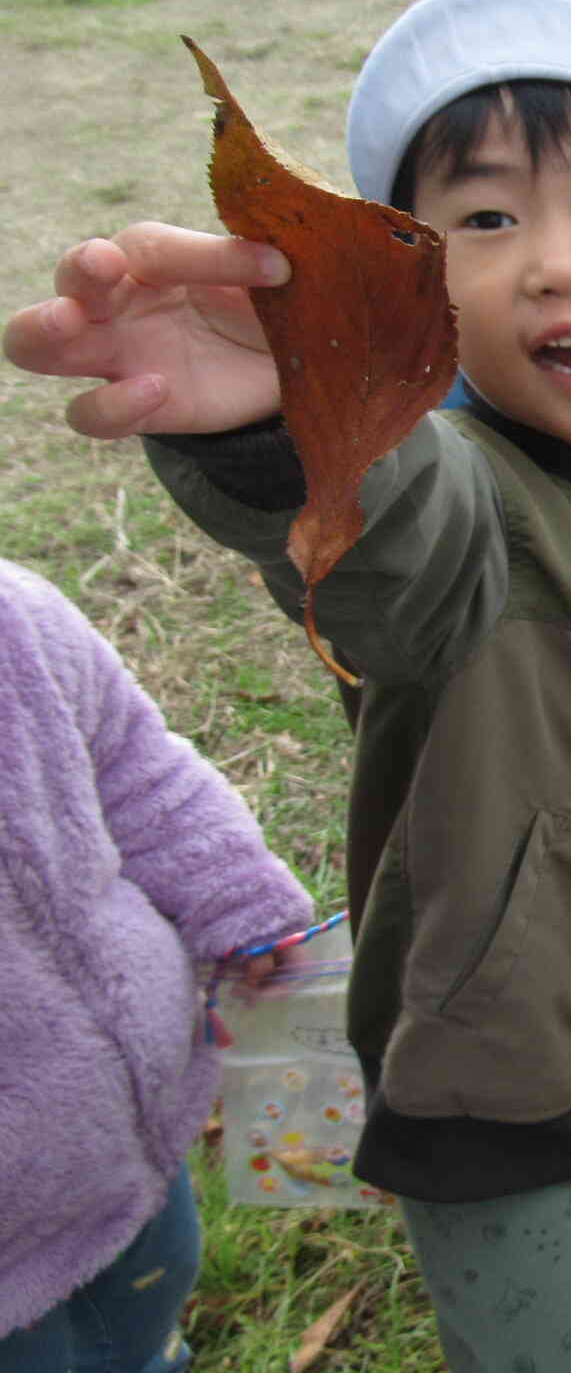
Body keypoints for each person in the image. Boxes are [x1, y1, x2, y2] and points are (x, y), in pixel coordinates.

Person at [3, 0, 571, 1373]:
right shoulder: (465, 506)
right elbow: (387, 540)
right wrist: (299, 412)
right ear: (418, 294)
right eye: (484, 221)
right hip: (499, 1105)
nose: (556, 263)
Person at [0, 558, 312, 1372]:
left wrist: (236, 896)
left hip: (124, 1130)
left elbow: (134, 763)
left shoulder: (18, 618)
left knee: (147, 1303)